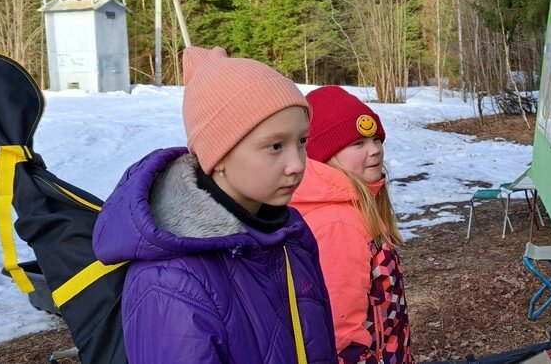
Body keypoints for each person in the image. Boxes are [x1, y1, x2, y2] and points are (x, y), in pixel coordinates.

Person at [93, 46, 337, 363]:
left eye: (301, 141)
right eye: (275, 146)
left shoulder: (289, 237)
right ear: (218, 156)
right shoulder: (172, 281)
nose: (297, 164)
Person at [290, 86, 413, 364]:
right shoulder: (337, 223)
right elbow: (339, 330)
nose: (375, 151)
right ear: (326, 154)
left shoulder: (355, 205)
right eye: (358, 144)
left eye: (376, 139)